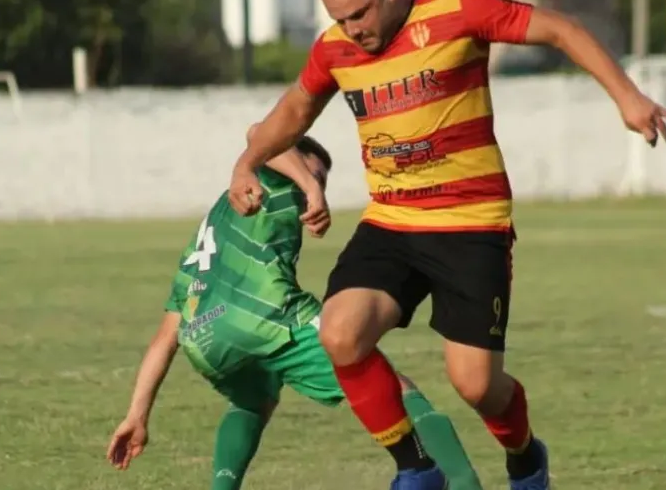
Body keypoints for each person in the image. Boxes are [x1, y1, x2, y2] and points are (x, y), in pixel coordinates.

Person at [226, 0, 666, 490]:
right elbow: (294, 110)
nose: (353, 28)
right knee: (339, 332)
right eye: (341, 18)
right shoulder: (335, 48)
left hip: (471, 223)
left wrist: (628, 96)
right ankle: (417, 468)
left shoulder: (460, 11)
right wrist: (246, 163)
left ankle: (525, 457)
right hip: (392, 221)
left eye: (360, 13)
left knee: (476, 384)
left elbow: (561, 29)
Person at [105, 126, 484, 490]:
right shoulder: (271, 180)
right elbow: (259, 133)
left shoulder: (211, 230)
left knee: (254, 401)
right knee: (389, 383)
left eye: (321, 180)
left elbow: (164, 338)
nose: (316, 186)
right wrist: (307, 184)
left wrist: (136, 415)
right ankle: (463, 483)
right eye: (314, 173)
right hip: (269, 316)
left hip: (203, 340)